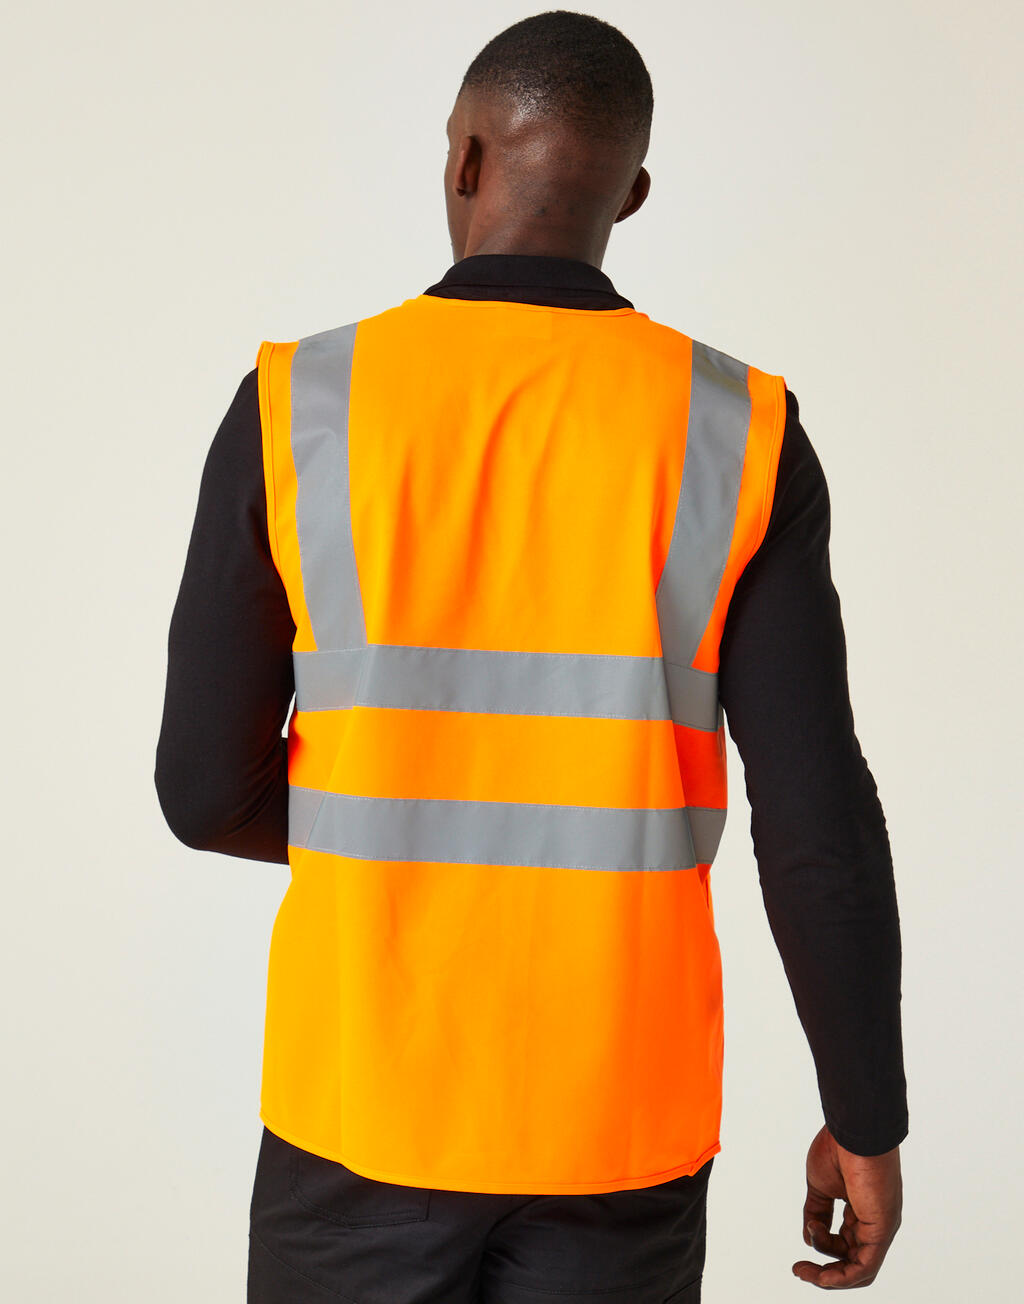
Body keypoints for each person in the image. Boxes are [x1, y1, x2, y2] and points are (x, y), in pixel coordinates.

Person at [155, 10, 908, 1301]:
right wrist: (866, 1112)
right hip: (619, 1122)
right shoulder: (738, 431)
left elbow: (200, 792)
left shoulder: (300, 406)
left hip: (360, 1107)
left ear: (463, 159)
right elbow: (816, 814)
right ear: (634, 193)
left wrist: (399, 822)